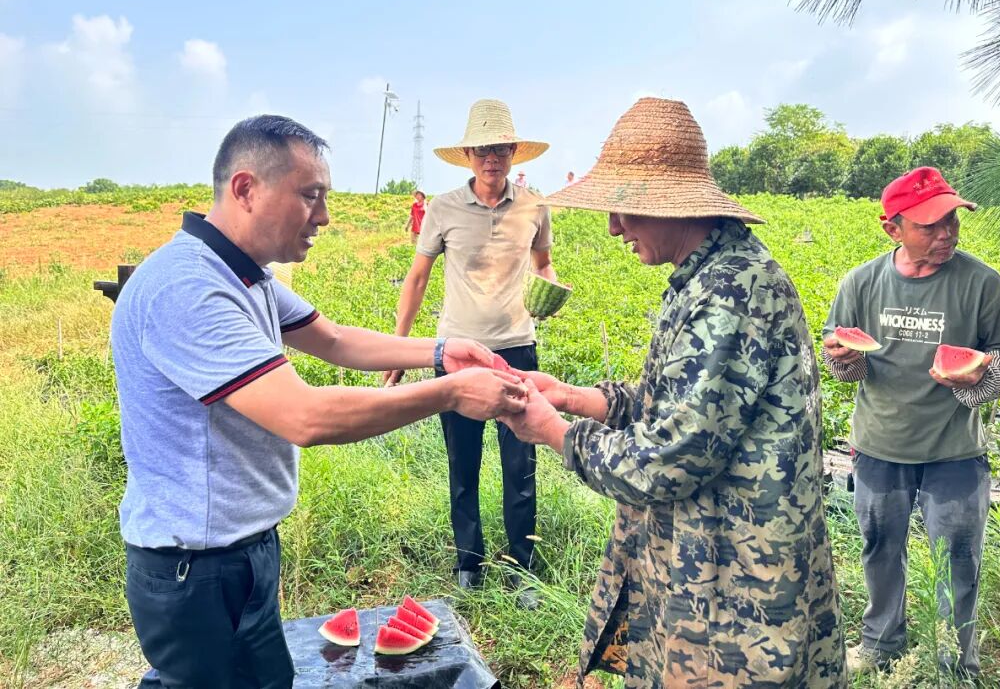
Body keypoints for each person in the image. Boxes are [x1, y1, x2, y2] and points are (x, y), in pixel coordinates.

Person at [111, 115, 527, 689]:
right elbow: (304, 416)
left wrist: (440, 351)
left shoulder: (246, 274)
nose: (325, 217)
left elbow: (332, 339)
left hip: (244, 551)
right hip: (196, 571)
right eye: (311, 196)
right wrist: (451, 393)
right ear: (246, 189)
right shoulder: (189, 287)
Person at [498, 98, 846, 687]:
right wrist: (581, 398)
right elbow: (686, 407)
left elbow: (670, 458)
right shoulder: (706, 276)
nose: (613, 228)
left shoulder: (730, 292)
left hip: (738, 590)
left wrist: (554, 433)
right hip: (703, 564)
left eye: (623, 211)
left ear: (672, 208)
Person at [822, 166, 1000, 679]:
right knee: (879, 549)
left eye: (952, 221)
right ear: (892, 228)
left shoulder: (983, 283)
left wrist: (975, 380)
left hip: (954, 451)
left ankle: (957, 657)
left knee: (958, 557)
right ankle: (880, 641)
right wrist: (842, 359)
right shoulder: (861, 282)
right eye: (929, 225)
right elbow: (849, 368)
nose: (946, 234)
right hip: (879, 446)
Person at [384, 99, 558, 606]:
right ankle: (469, 562)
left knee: (520, 463)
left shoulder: (534, 205)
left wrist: (550, 290)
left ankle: (523, 566)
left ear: (512, 151)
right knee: (464, 463)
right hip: (457, 354)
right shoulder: (441, 208)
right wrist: (400, 347)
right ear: (467, 153)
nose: (492, 158)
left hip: (517, 350)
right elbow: (416, 279)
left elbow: (544, 266)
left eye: (500, 148)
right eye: (482, 149)